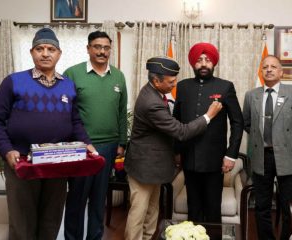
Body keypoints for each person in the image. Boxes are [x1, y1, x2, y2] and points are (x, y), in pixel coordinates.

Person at [0, 28, 95, 240]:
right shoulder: (13, 81)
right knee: (22, 225)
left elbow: (75, 121)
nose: (45, 53)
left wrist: (86, 143)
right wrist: (7, 150)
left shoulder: (68, 86)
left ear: (59, 53)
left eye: (51, 49)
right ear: (32, 52)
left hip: (57, 164)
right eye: (40, 48)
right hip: (21, 163)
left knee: (51, 222)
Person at [124, 56, 222, 240]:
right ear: (156, 80)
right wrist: (208, 116)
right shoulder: (151, 102)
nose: (174, 85)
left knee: (152, 211)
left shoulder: (156, 94)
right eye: (171, 81)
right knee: (139, 213)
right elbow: (181, 131)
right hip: (144, 167)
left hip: (155, 167)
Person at [63, 31, 128, 240]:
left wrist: (121, 143)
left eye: (106, 47)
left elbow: (121, 111)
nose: (102, 51)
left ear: (110, 50)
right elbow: (65, 112)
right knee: (77, 199)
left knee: (99, 199)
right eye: (97, 47)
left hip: (109, 147)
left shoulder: (118, 76)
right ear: (88, 48)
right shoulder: (72, 73)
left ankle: (95, 237)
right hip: (81, 147)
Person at [173, 42, 244, 223]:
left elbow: (238, 122)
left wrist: (231, 155)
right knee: (193, 208)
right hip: (189, 157)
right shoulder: (182, 86)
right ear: (192, 64)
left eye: (207, 60)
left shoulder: (225, 86)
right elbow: (176, 122)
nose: (203, 64)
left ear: (214, 62)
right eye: (199, 60)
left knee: (213, 209)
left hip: (215, 160)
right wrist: (176, 152)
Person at [242, 55, 292, 240]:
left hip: (288, 157)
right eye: (265, 67)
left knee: (288, 206)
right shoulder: (251, 95)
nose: (268, 69)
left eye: (273, 67)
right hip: (262, 157)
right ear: (261, 72)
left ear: (281, 71)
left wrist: (286, 140)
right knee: (262, 206)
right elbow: (247, 124)